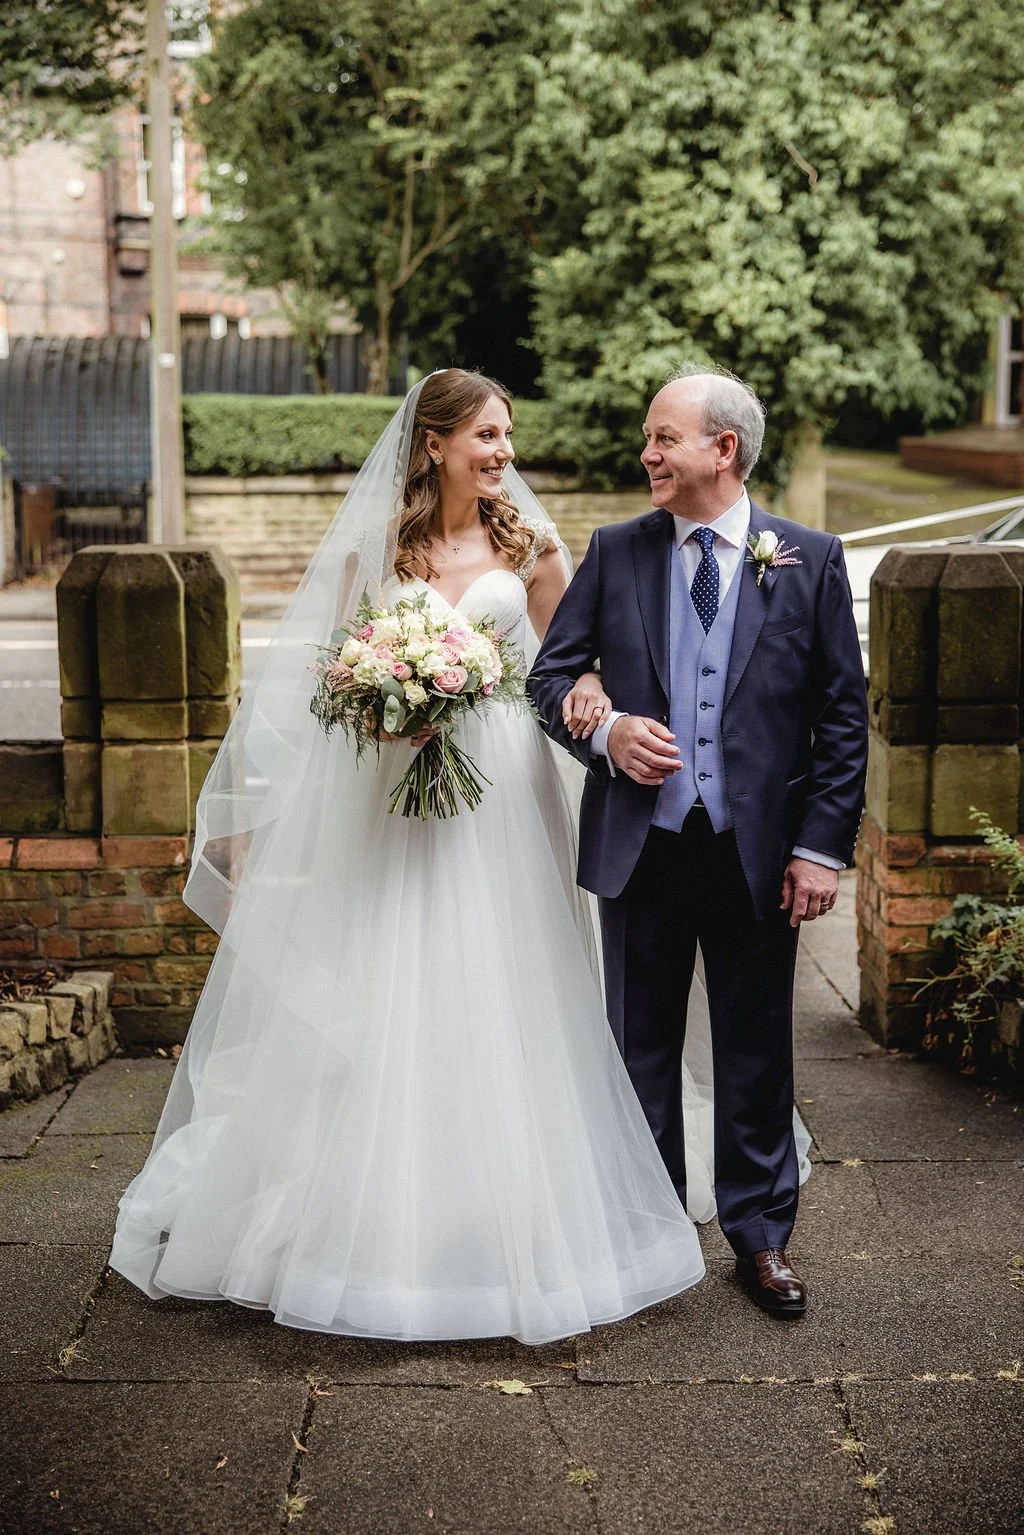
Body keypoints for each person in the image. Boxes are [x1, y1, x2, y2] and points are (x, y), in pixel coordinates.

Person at [108, 370, 705, 1344]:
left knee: (507, 980)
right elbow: (328, 672)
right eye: (485, 433)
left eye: (507, 433)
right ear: (433, 444)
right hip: (398, 791)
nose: (502, 450)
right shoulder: (380, 550)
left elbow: (569, 667)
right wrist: (384, 710)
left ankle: (508, 1207)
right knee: (398, 975)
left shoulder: (532, 546)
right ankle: (376, 1217)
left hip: (504, 796)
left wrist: (599, 706)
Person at [529, 367, 868, 1317]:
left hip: (758, 853)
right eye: (649, 438)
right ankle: (649, 1235)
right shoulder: (618, 549)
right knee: (639, 1045)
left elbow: (842, 722)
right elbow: (549, 676)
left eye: (663, 437)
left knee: (757, 1048)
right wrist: (603, 731)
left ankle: (761, 1240)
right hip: (647, 842)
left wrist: (820, 848)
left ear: (724, 449)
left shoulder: (809, 557)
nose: (647, 453)